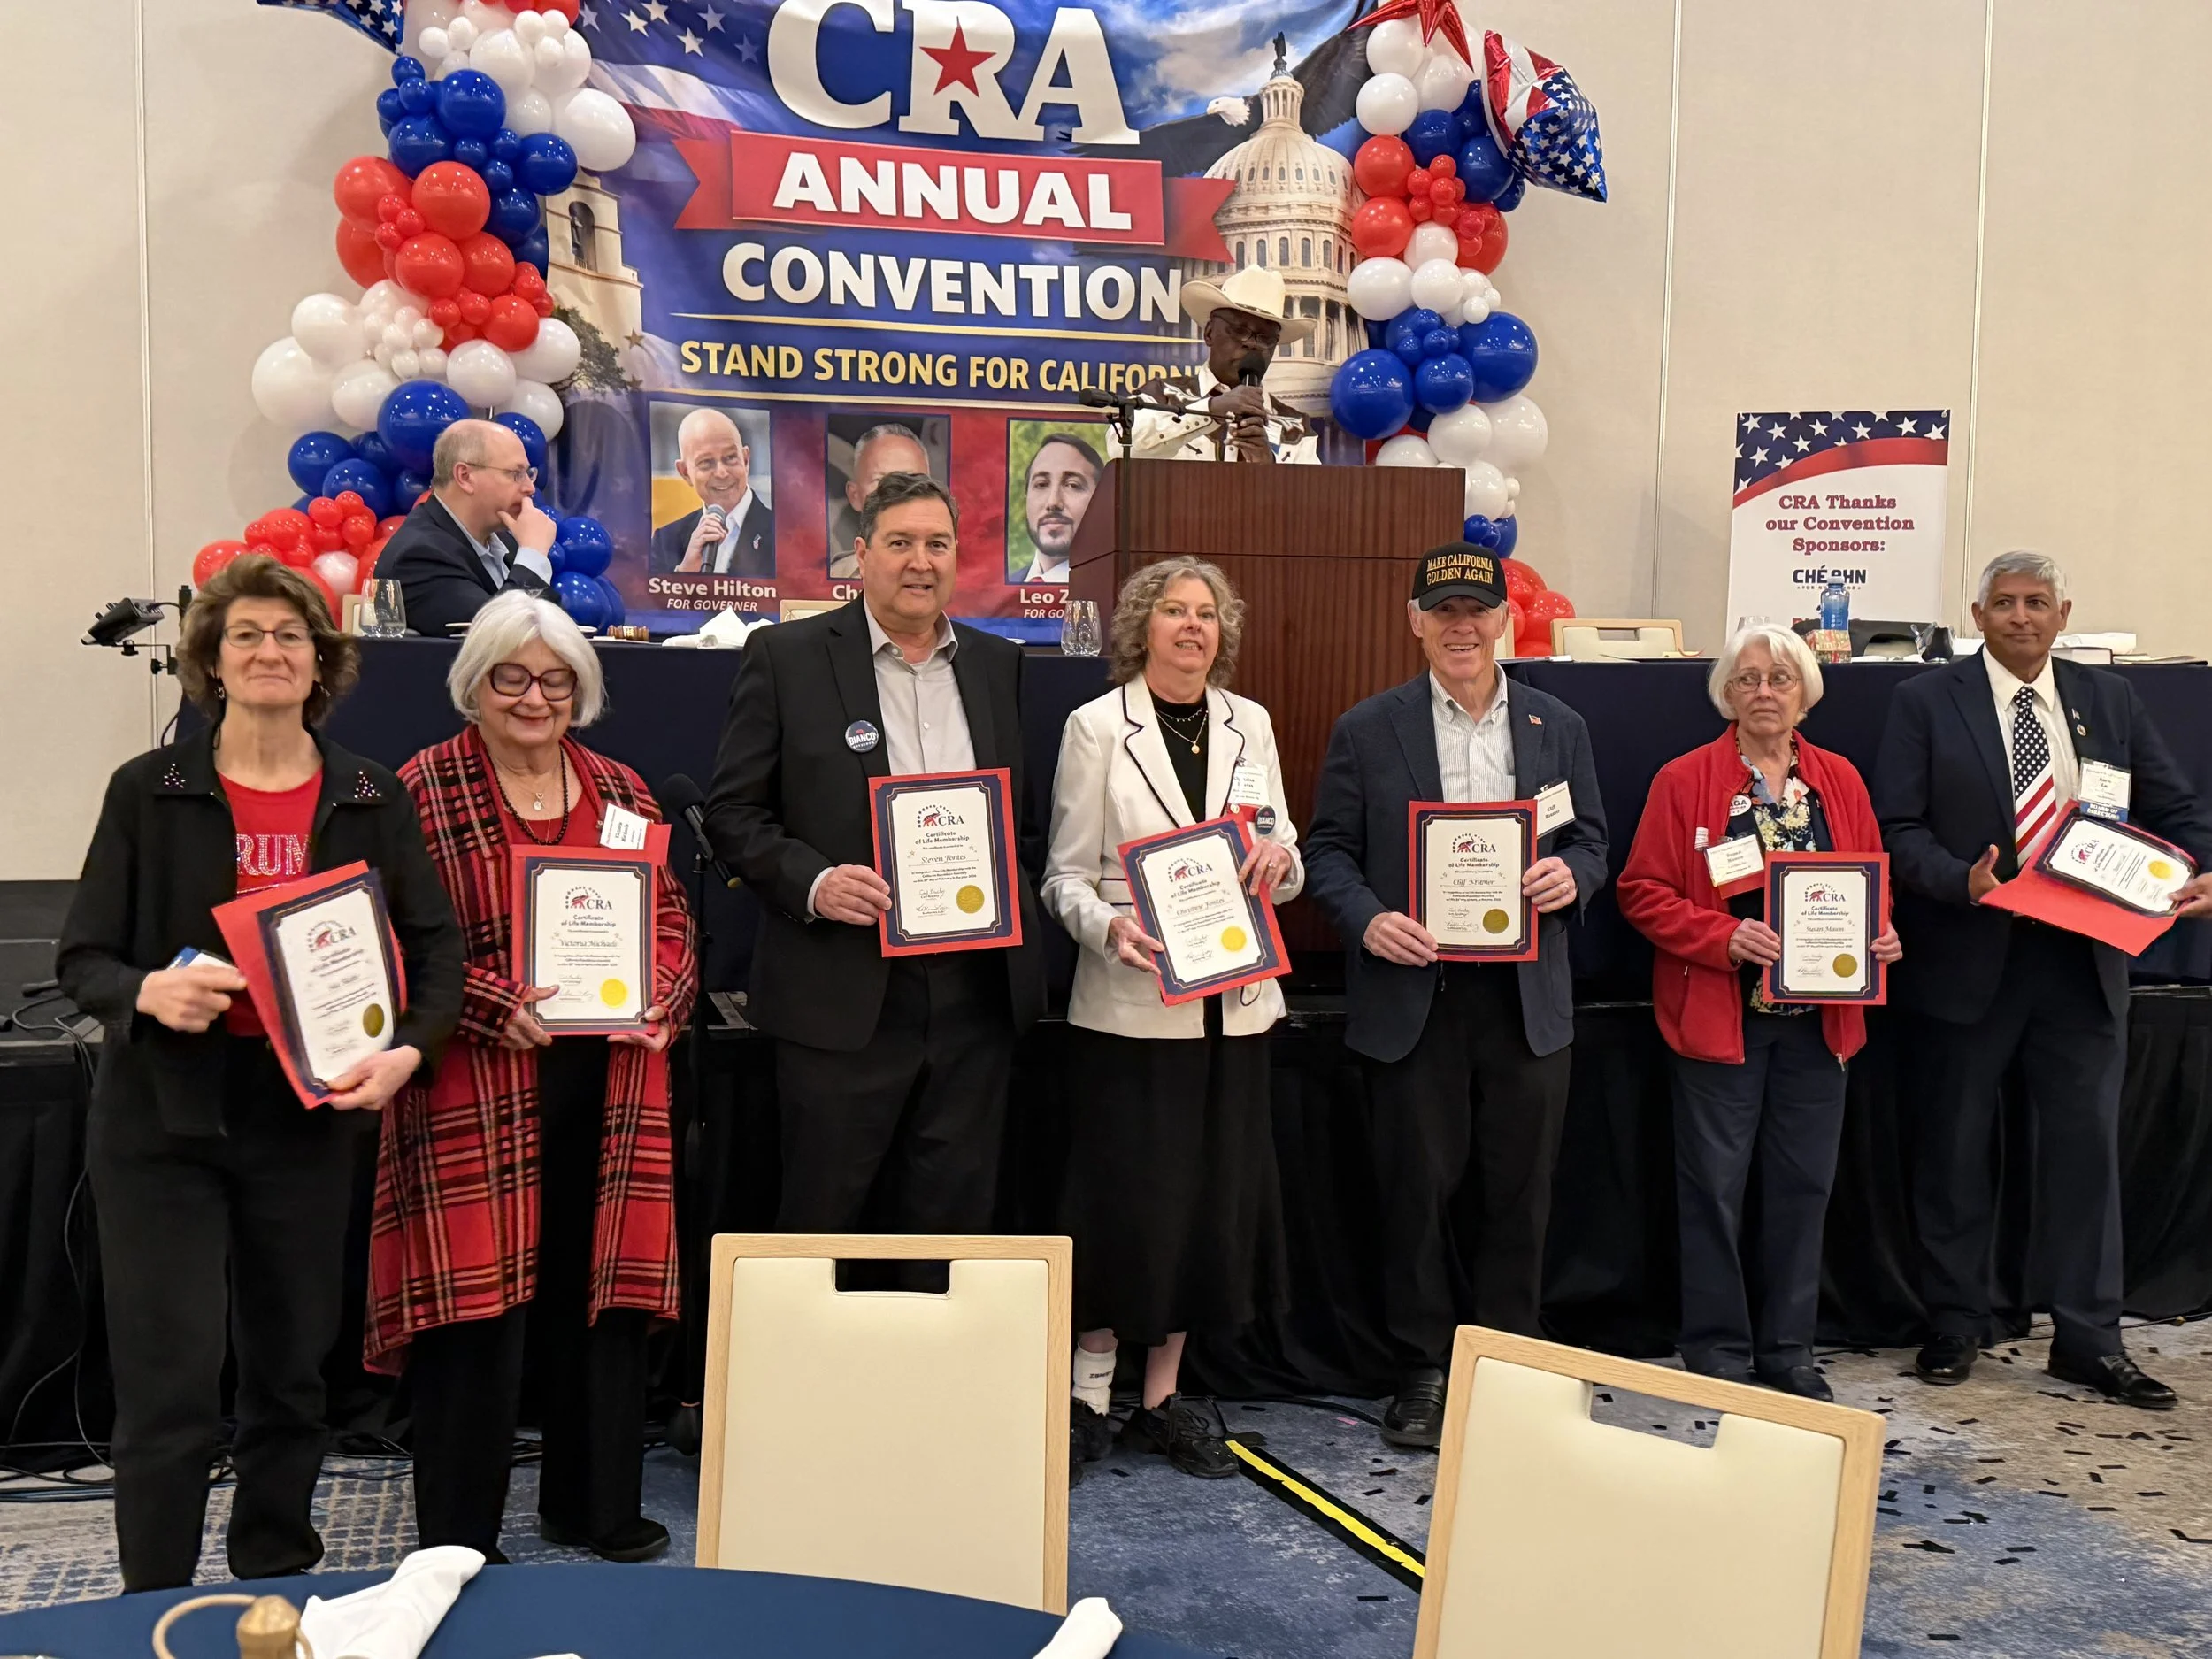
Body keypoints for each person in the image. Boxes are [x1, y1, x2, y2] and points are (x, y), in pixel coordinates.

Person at [55, 555, 462, 1592]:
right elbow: (84, 960)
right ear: (212, 659)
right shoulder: (148, 789)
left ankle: (277, 1577)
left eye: (290, 635)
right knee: (171, 1383)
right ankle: (152, 1600)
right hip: (162, 1123)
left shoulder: (369, 793)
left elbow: (437, 950)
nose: (269, 651)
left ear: (321, 661)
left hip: (307, 1118)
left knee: (290, 1373)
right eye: (246, 635)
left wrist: (407, 1049)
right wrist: (150, 991)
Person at [368, 592, 698, 1563]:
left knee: (599, 1293)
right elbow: (387, 937)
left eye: (555, 680)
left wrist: (662, 994)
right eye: (510, 677)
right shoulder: (421, 789)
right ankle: (459, 1534)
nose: (533, 697)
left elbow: (668, 918)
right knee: (475, 1308)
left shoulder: (622, 791)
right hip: (475, 1077)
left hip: (610, 1082)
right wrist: (482, 1000)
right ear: (475, 682)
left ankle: (592, 1505)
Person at [1873, 550, 2212, 1409]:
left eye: (2035, 602)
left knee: (2084, 1158)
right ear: (1976, 616)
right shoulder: (1925, 700)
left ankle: (2089, 1341)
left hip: (2081, 962)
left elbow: (2176, 808)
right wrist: (1960, 881)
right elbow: (1896, 826)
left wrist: (2202, 868)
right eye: (2003, 603)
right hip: (1968, 959)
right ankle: (1955, 1322)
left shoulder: (2110, 699)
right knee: (1954, 1151)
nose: (2020, 616)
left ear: (2063, 615)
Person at [1302, 543, 1608, 1448]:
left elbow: (1591, 841)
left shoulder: (1558, 726)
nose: (1461, 627)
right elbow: (1328, 853)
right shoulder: (1368, 729)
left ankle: (1505, 1364)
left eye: (1476, 610)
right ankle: (1423, 1370)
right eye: (1443, 612)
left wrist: (1572, 879)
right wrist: (1367, 921)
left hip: (1524, 1000)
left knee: (1519, 1193)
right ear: (1415, 622)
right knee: (1415, 1193)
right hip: (1415, 998)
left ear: (1504, 619)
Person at [705, 471, 1045, 1236]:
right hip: (843, 995)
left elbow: (1017, 824)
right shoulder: (786, 656)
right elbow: (732, 813)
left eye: (937, 544)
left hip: (973, 1001)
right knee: (821, 1223)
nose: (920, 562)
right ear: (861, 554)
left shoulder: (997, 665)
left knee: (952, 1228)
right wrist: (816, 882)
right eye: (900, 543)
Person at [1041, 558, 1302, 1480]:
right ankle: (1087, 1396)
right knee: (1122, 1205)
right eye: (1174, 612)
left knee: (1206, 1207)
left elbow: (1282, 846)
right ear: (1140, 628)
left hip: (1236, 1008)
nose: (1193, 627)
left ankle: (1162, 1400)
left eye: (1207, 614)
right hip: (1130, 1008)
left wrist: (1281, 863)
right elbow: (1064, 876)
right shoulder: (1095, 727)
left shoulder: (1249, 723)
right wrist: (1108, 928)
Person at [1617, 625, 1901, 1401]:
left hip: (1821, 1024)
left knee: (1804, 1188)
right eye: (1747, 679)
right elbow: (1641, 891)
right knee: (1713, 1190)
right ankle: (1716, 1344)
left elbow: (1873, 882)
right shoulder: (1684, 779)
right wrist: (1722, 936)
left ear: (1806, 693)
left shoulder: (1840, 778)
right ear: (1727, 694)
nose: (1764, 691)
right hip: (1723, 1019)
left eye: (1780, 677)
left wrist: (1881, 933)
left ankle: (1788, 1347)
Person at [1120, 266, 1317, 465]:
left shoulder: (1296, 426)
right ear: (1209, 333)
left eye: (1265, 338)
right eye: (1239, 330)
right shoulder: (1162, 394)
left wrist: (1269, 465)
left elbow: (1315, 485)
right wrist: (1211, 409)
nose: (1251, 344)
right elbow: (1119, 447)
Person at [380, 419, 557, 634]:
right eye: (516, 474)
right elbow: (497, 637)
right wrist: (533, 555)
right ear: (465, 477)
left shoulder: (508, 544)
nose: (530, 488)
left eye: (529, 474)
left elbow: (552, 632)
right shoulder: (419, 556)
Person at [649, 407, 775, 578]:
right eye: (706, 462)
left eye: (730, 457)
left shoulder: (784, 534)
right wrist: (685, 572)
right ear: (685, 473)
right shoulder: (665, 541)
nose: (721, 473)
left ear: (745, 460)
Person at [828, 424, 933, 578]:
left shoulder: (960, 576)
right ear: (855, 496)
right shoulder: (833, 576)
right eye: (880, 480)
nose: (896, 492)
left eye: (910, 480)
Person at [1017, 433, 1102, 584]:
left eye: (1073, 485)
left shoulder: (1118, 590)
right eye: (1041, 484)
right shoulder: (1000, 589)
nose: (1053, 502)